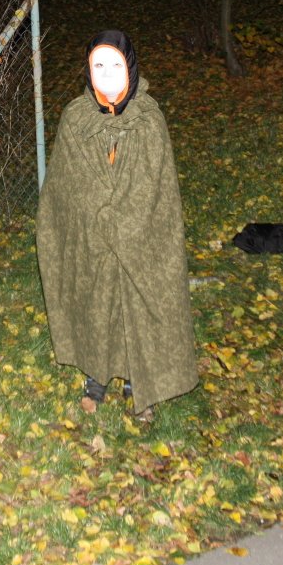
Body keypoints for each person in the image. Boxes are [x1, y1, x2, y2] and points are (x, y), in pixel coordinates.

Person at [36, 29, 198, 422]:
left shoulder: (149, 120)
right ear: (88, 71)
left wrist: (125, 223)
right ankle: (97, 372)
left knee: (139, 301)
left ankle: (142, 379)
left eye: (115, 64)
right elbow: (65, 184)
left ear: (131, 69)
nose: (106, 73)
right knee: (96, 299)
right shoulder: (75, 119)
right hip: (89, 232)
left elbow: (156, 187)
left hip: (141, 232)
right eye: (98, 65)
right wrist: (93, 218)